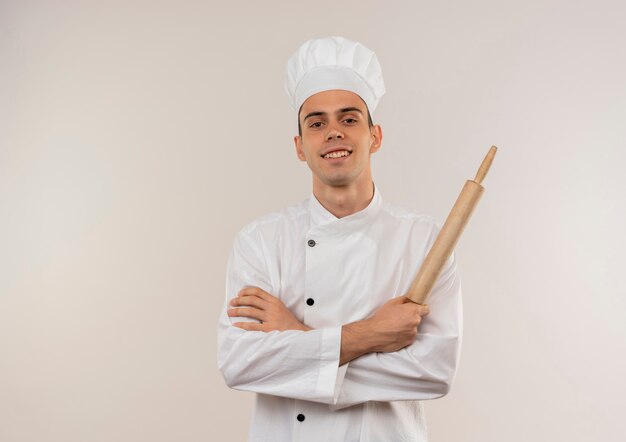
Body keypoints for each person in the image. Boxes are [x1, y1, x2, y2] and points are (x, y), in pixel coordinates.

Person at [217, 36, 463, 442]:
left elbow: (433, 372)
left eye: (349, 119)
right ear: (300, 147)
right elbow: (240, 363)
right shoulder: (259, 241)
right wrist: (370, 335)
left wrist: (295, 340)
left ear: (375, 136)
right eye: (317, 123)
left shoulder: (423, 240)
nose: (333, 132)